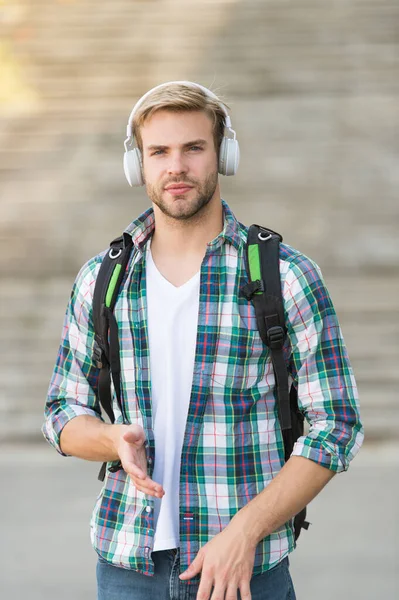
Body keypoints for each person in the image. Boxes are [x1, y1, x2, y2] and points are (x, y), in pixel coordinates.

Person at [43, 81, 364, 600]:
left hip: (245, 569)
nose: (177, 167)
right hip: (127, 567)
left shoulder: (286, 277)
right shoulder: (102, 281)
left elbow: (337, 425)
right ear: (138, 165)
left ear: (223, 155)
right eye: (159, 151)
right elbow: (61, 410)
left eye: (193, 148)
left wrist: (246, 530)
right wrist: (110, 441)